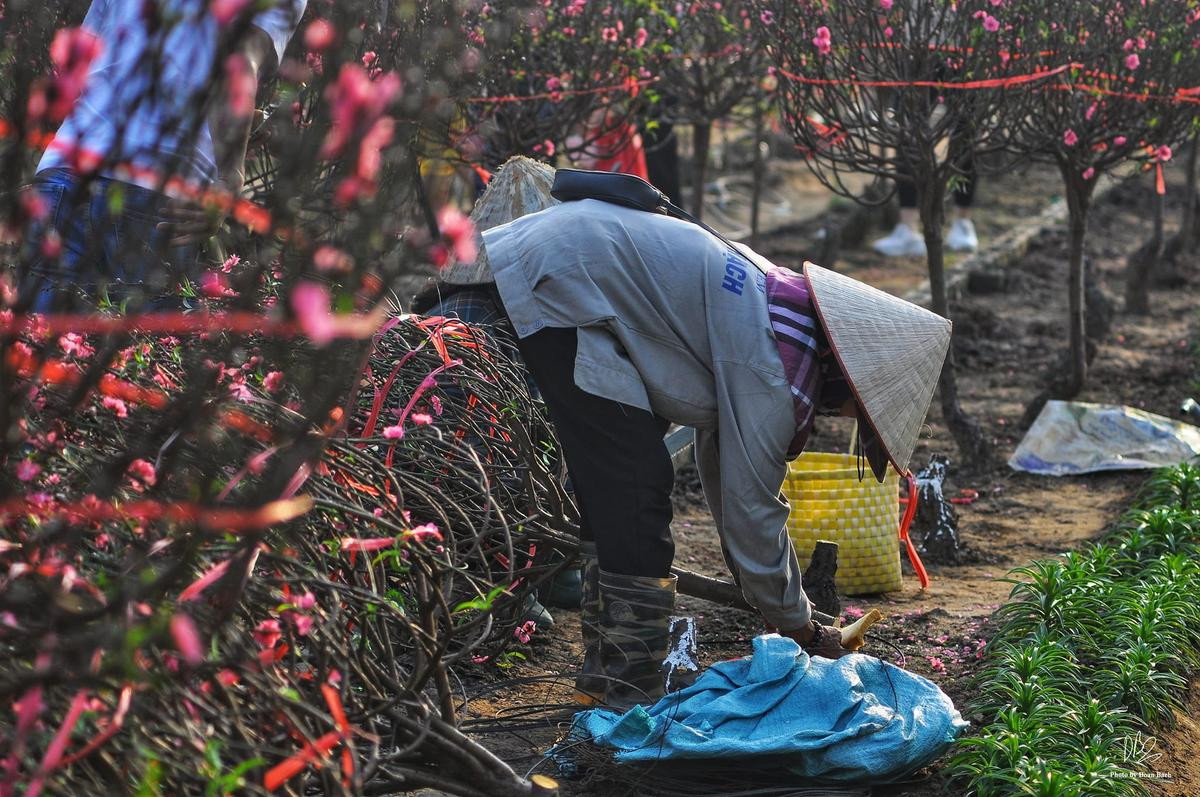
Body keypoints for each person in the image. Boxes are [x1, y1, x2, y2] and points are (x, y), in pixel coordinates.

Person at [480, 189, 951, 709]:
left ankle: (612, 673)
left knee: (620, 487)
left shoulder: (776, 308)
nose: (841, 419)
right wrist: (803, 627)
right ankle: (628, 685)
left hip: (572, 258)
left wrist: (782, 604)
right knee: (635, 490)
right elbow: (750, 511)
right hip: (568, 280)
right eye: (856, 409)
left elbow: (730, 485)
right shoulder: (771, 372)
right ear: (846, 378)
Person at [21, 0, 306, 312]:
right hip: (154, 187)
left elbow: (83, 57)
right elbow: (236, 66)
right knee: (137, 349)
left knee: (41, 347)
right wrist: (229, 177)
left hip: (65, 170)